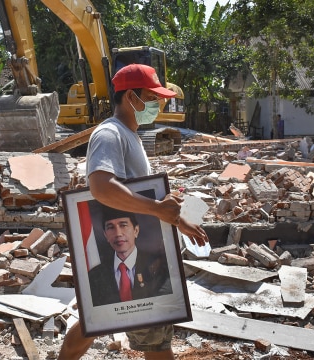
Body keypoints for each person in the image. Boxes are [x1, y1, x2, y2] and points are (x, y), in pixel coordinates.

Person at [57, 63, 209, 360]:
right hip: (134, 261)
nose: (158, 103)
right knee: (156, 340)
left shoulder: (130, 135)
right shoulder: (110, 134)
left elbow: (137, 197)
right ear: (130, 98)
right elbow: (101, 187)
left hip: (132, 257)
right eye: (151, 97)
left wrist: (179, 221)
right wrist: (157, 209)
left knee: (95, 321)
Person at [88, 205, 171, 307]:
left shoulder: (158, 266)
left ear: (136, 231)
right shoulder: (94, 276)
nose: (118, 234)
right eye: (110, 227)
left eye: (123, 225)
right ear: (105, 235)